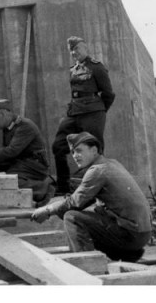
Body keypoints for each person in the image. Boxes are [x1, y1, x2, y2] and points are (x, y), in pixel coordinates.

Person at [31, 132, 151, 262]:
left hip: (130, 235)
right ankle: (125, 254)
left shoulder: (97, 170)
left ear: (94, 150)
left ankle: (86, 263)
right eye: (72, 152)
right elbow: (85, 200)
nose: (75, 156)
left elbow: (74, 203)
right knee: (92, 215)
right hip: (142, 234)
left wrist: (48, 209)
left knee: (72, 217)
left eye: (79, 151)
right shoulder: (112, 163)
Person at [51, 36, 115, 194]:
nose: (74, 52)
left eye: (77, 48)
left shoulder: (96, 67)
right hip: (74, 112)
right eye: (71, 50)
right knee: (58, 146)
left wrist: (99, 112)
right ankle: (63, 187)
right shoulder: (72, 70)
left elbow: (108, 93)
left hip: (93, 112)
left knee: (94, 150)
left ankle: (101, 190)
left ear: (86, 48)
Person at [0, 99, 54, 206]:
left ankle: (45, 188)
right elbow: (8, 154)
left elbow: (11, 151)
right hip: (22, 163)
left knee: (9, 182)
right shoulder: (9, 128)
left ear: (2, 114)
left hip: (34, 165)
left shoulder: (25, 126)